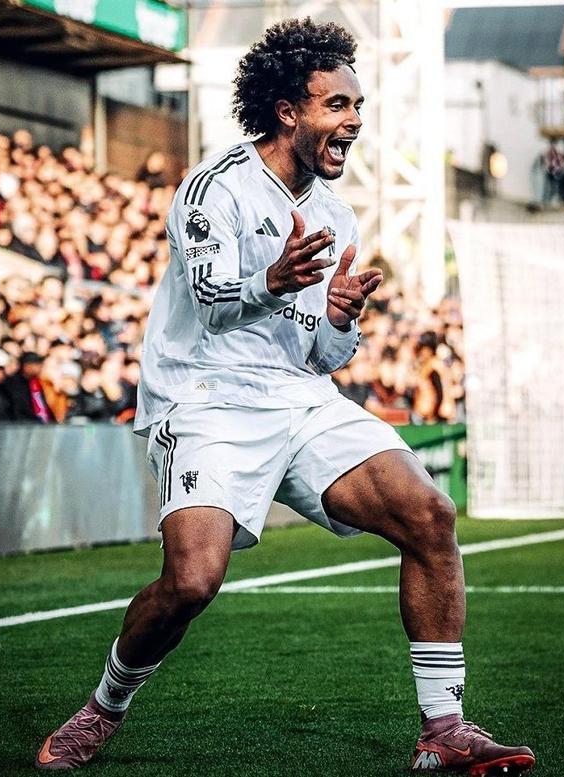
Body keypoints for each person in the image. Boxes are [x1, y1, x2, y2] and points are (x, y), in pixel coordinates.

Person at [36, 18, 535, 775]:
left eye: (357, 106)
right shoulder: (215, 187)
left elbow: (323, 355)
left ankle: (444, 730)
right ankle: (104, 707)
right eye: (337, 105)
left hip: (298, 396)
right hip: (205, 395)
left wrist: (341, 317)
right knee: (191, 581)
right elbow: (211, 303)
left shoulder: (335, 215)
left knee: (430, 514)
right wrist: (275, 280)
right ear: (287, 112)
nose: (354, 121)